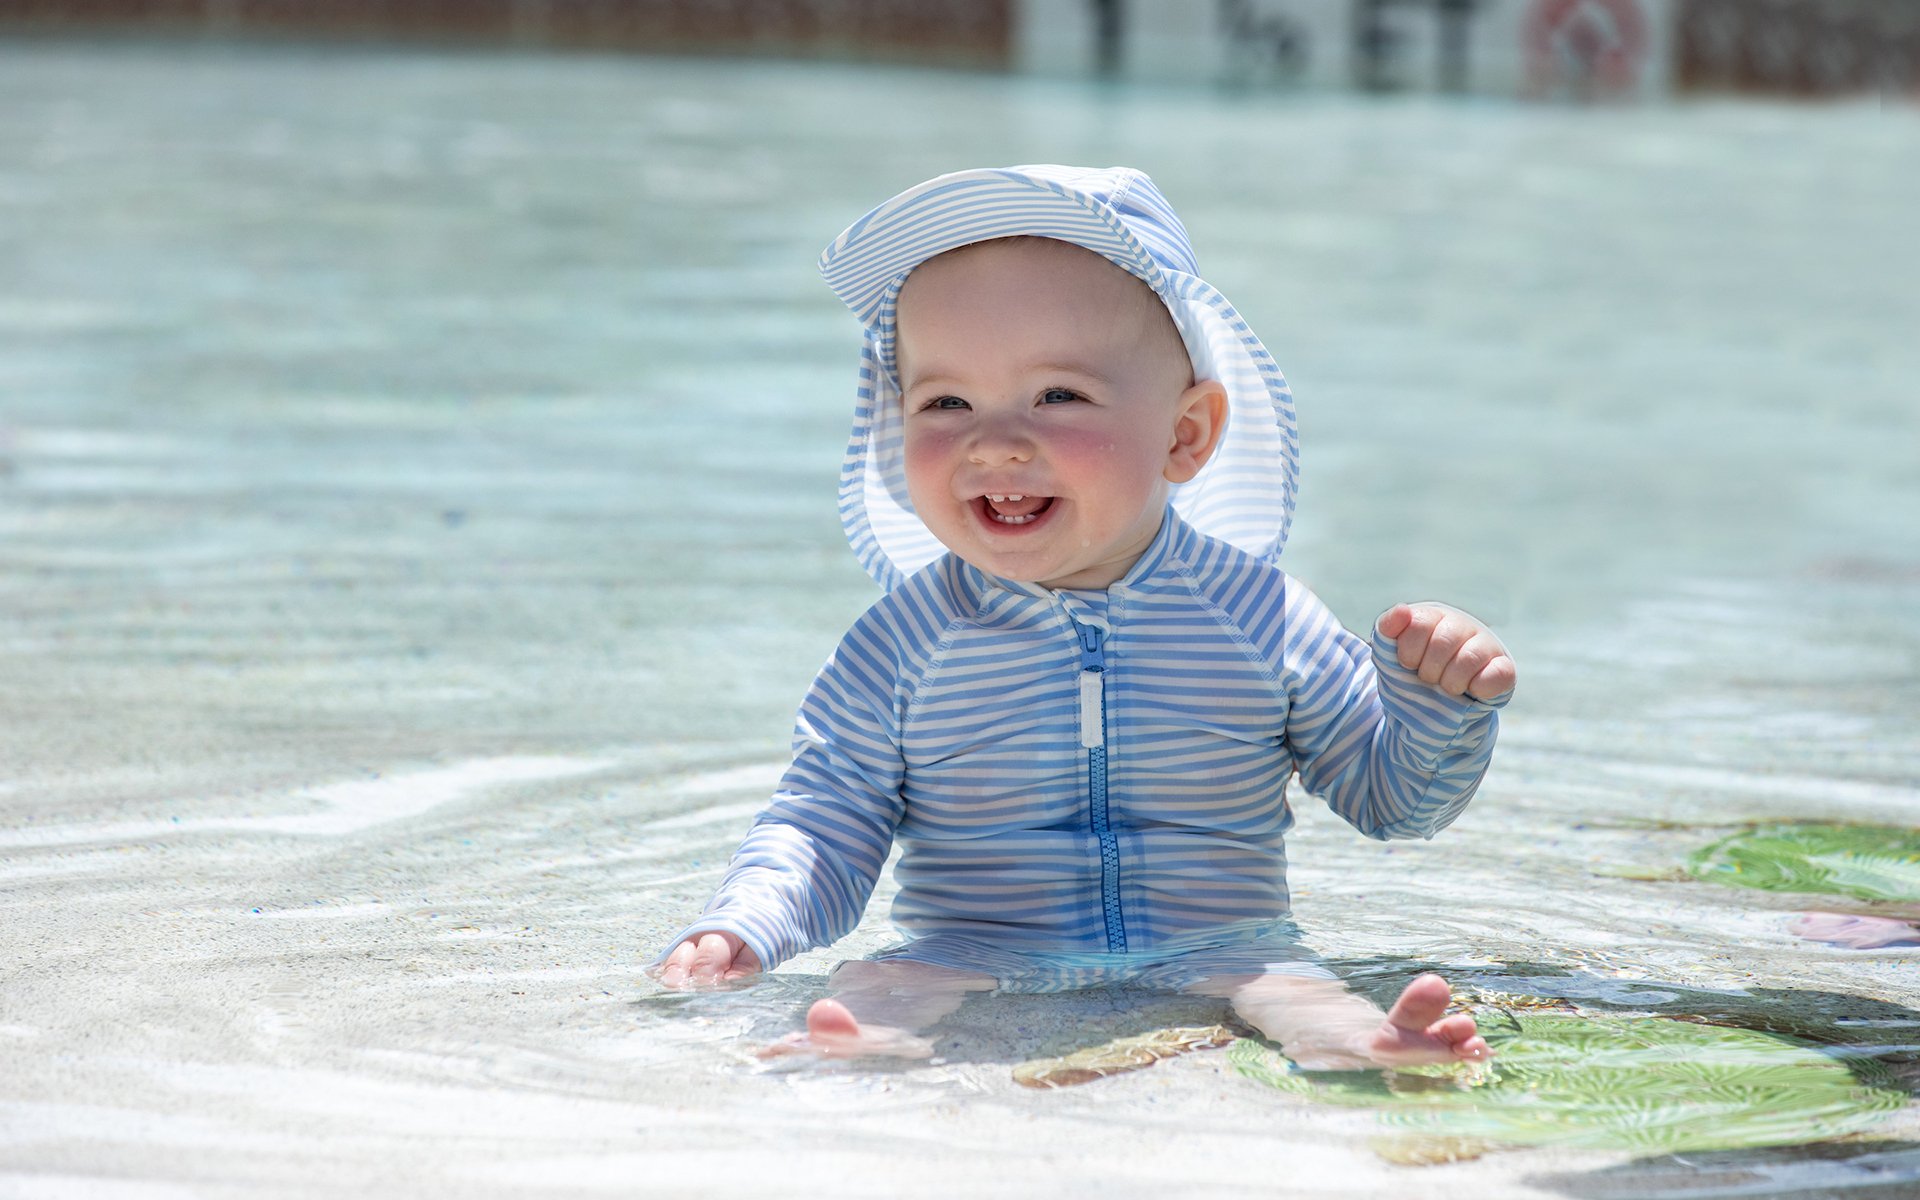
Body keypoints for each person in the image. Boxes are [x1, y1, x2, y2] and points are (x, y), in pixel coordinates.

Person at [652, 165, 1515, 1069]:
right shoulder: (901, 644)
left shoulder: (1263, 620)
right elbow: (827, 816)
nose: (994, 442)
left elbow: (1393, 802)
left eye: (1057, 395)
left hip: (1222, 945)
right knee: (887, 981)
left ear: (1184, 433)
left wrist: (1438, 706)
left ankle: (1364, 1046)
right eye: (946, 402)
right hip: (971, 946)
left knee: (1290, 991)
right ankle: (859, 1048)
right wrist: (746, 923)